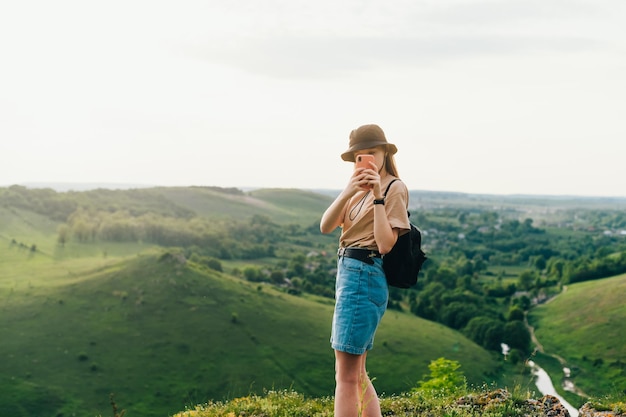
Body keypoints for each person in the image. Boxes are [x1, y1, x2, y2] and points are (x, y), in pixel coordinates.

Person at [320, 124, 411, 417]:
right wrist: (349, 190)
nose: (366, 159)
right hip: (350, 272)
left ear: (385, 152)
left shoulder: (394, 188)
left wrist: (377, 196)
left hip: (364, 273)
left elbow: (385, 245)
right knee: (355, 372)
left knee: (346, 375)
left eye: (371, 152)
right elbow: (326, 226)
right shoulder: (355, 191)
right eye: (359, 155)